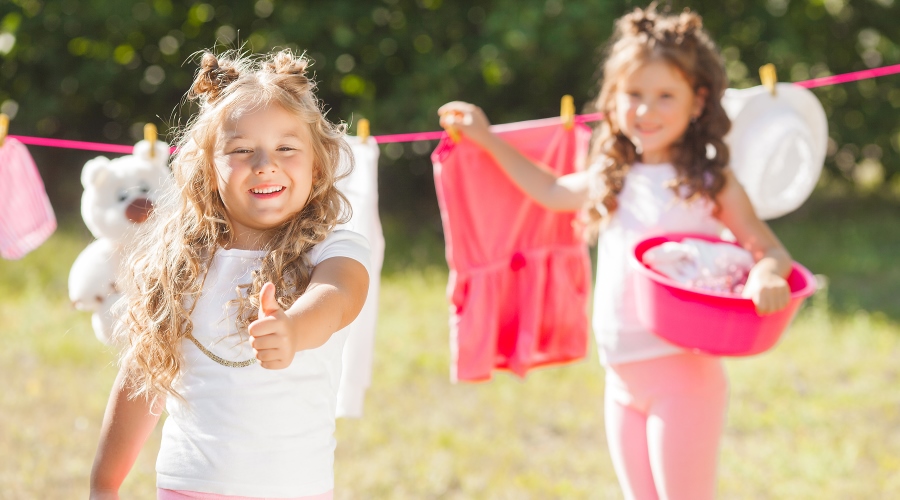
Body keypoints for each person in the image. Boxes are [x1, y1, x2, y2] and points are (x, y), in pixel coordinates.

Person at [438, 6, 792, 499]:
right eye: (633, 95)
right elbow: (552, 191)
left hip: (683, 380)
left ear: (698, 101)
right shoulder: (614, 176)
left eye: (665, 96)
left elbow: (769, 249)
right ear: (613, 99)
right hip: (621, 379)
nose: (645, 111)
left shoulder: (710, 184)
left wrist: (765, 276)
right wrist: (487, 138)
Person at [90, 49, 370, 500]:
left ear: (317, 162)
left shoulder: (333, 247)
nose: (265, 164)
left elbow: (340, 296)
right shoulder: (182, 262)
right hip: (187, 488)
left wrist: (294, 327)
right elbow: (144, 375)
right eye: (242, 150)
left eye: (286, 148)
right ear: (207, 167)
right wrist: (104, 485)